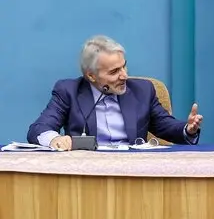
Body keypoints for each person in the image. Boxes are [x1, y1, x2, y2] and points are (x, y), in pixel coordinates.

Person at [27, 35, 203, 151]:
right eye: (114, 72)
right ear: (91, 75)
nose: (124, 75)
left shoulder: (143, 90)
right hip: (88, 172)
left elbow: (166, 126)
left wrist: (188, 129)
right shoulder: (69, 91)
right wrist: (55, 139)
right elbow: (39, 129)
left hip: (133, 171)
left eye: (124, 66)